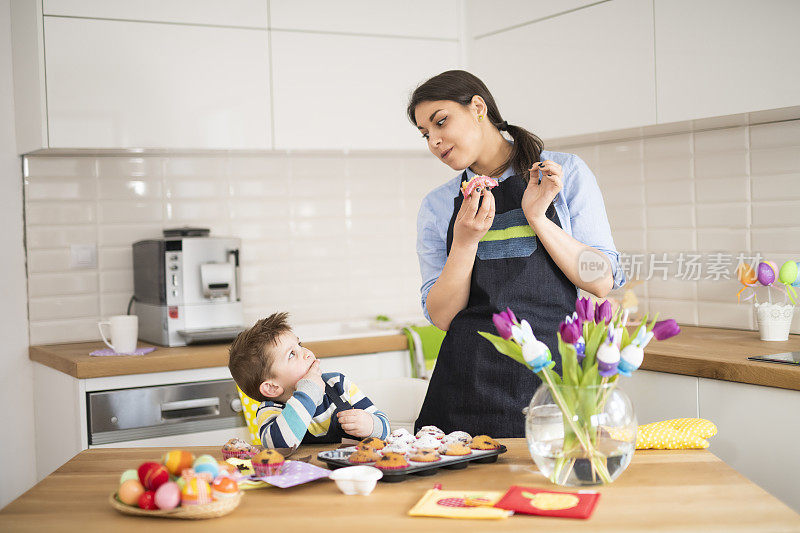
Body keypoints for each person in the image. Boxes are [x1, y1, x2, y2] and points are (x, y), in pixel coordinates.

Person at [409, 70, 625, 437]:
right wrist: (464, 242)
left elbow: (601, 279)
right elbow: (443, 316)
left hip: (551, 379)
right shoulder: (438, 205)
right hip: (464, 382)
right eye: (425, 134)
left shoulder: (564, 174)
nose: (434, 140)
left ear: (478, 107)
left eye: (441, 121)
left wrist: (538, 217)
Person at [228, 312, 390, 448]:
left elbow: (386, 428)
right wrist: (309, 391)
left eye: (300, 344)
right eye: (292, 354)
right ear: (271, 388)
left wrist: (370, 425)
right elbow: (280, 447)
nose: (307, 353)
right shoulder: (270, 411)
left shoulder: (338, 384)